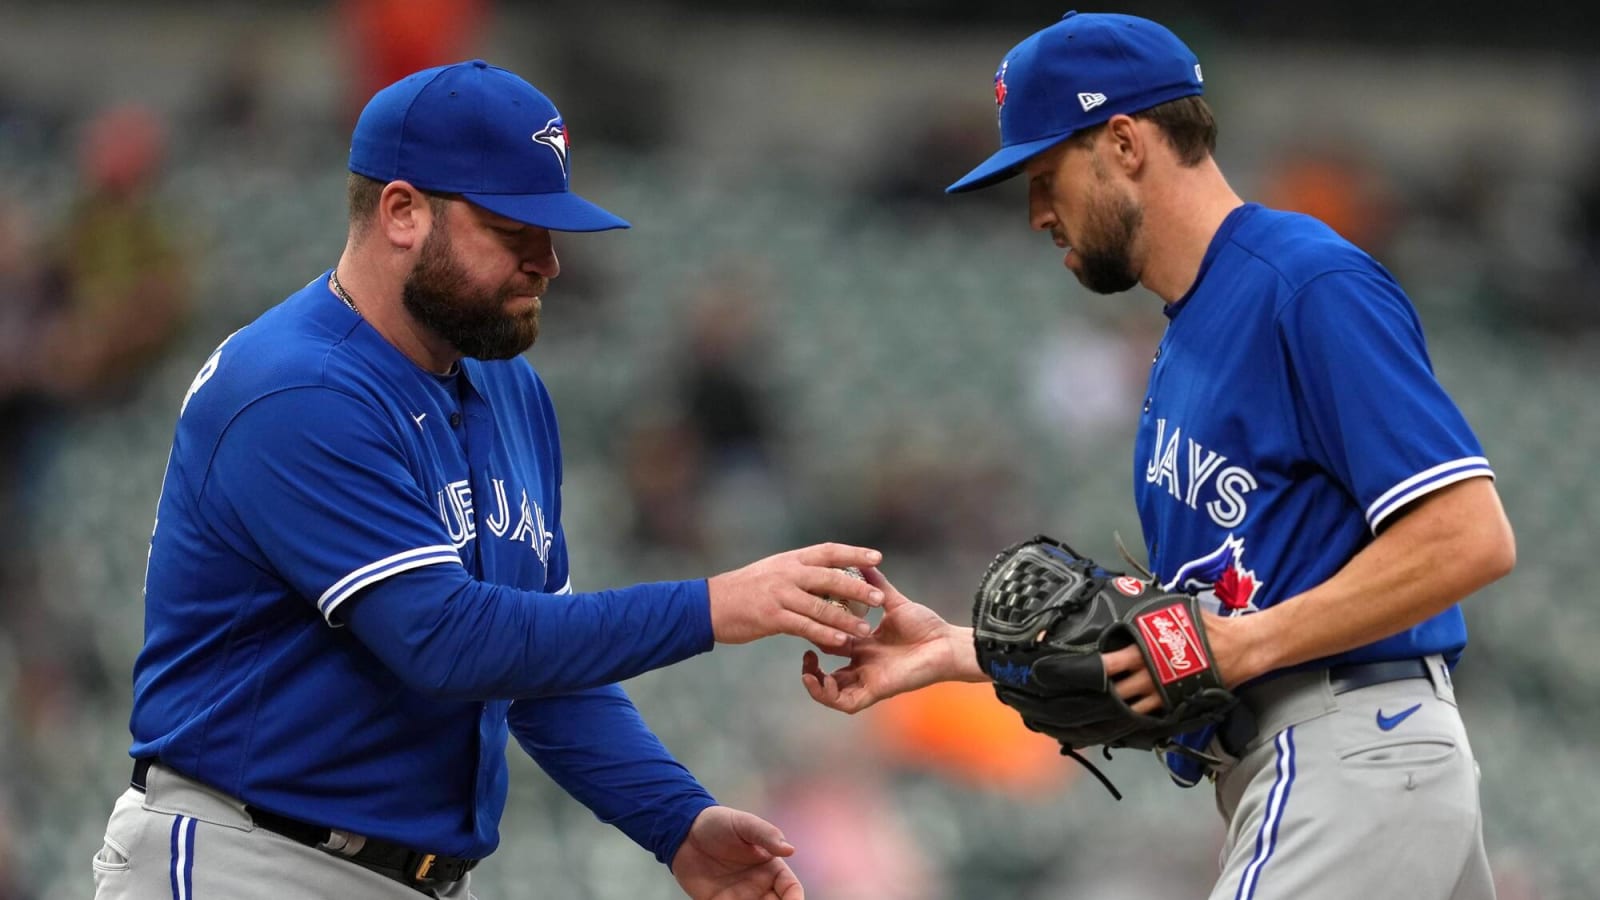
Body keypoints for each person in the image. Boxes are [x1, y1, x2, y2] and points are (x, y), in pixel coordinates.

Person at [93, 60, 887, 900]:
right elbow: (442, 639)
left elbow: (538, 664)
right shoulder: (296, 387)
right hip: (251, 860)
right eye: (514, 230)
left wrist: (674, 821)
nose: (548, 262)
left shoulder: (508, 388)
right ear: (402, 212)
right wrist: (713, 606)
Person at [803, 13, 1515, 900]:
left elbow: (1469, 537)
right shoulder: (1189, 333)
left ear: (1125, 142)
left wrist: (1247, 644)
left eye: (1044, 174)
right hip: (1337, 765)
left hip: (1350, 748)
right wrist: (959, 652)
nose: (1035, 213)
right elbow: (1188, 631)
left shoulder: (1304, 283)